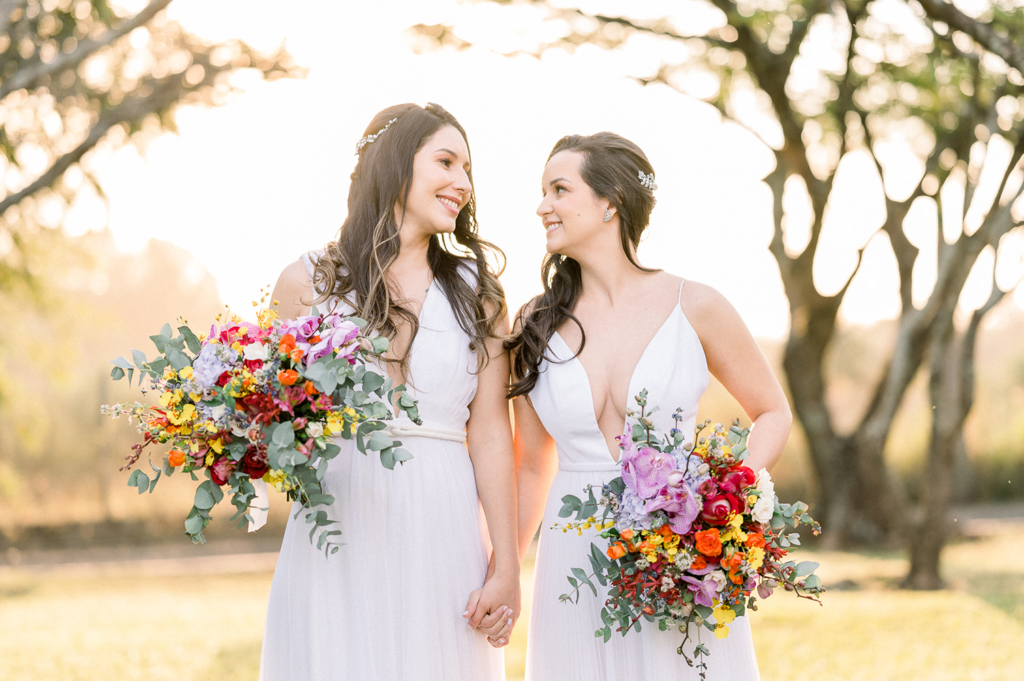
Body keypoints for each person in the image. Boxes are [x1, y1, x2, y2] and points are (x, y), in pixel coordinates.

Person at [507, 132, 792, 680]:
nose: (542, 206)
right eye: (543, 191)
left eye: (559, 189)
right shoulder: (533, 324)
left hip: (677, 550)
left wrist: (719, 501)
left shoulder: (697, 306)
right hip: (573, 560)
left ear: (610, 202)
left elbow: (773, 412)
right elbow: (530, 464)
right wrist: (503, 572)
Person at [259, 103, 520, 681]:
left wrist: (506, 562)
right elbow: (278, 418)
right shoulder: (307, 282)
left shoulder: (481, 295)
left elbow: (493, 432)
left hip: (445, 522)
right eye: (446, 162)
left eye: (468, 170)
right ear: (395, 162)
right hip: (339, 520)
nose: (463, 184)